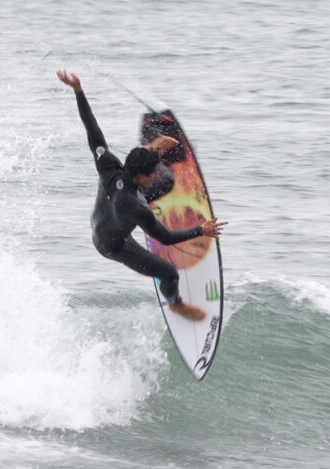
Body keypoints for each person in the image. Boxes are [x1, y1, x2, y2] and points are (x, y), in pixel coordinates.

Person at [57, 70, 227, 321]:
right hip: (112, 244)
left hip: (107, 212)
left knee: (167, 180)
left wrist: (78, 90)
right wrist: (202, 230)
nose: (157, 172)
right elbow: (166, 238)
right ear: (140, 176)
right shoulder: (137, 208)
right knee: (169, 273)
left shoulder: (108, 164)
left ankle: (150, 149)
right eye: (154, 170)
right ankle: (176, 304)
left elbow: (91, 129)